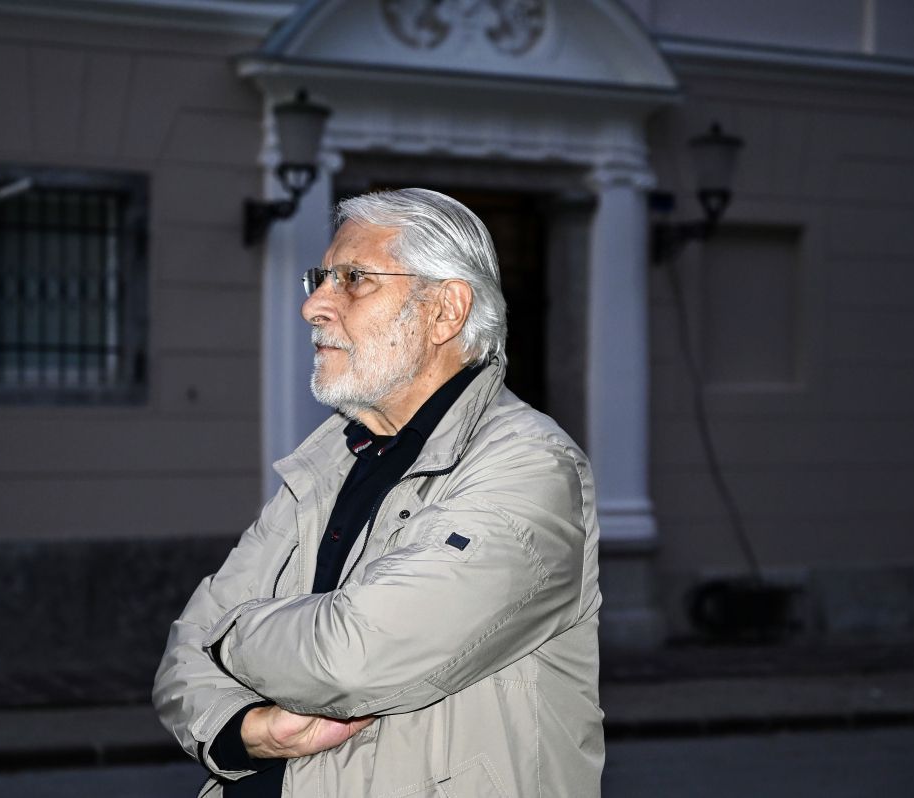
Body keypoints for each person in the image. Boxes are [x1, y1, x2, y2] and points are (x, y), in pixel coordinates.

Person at [153, 188, 604, 797]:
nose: (314, 305)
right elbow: (177, 663)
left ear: (445, 311)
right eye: (320, 279)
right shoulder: (331, 459)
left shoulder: (529, 466)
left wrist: (226, 635)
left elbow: (351, 655)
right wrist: (245, 729)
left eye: (353, 279)